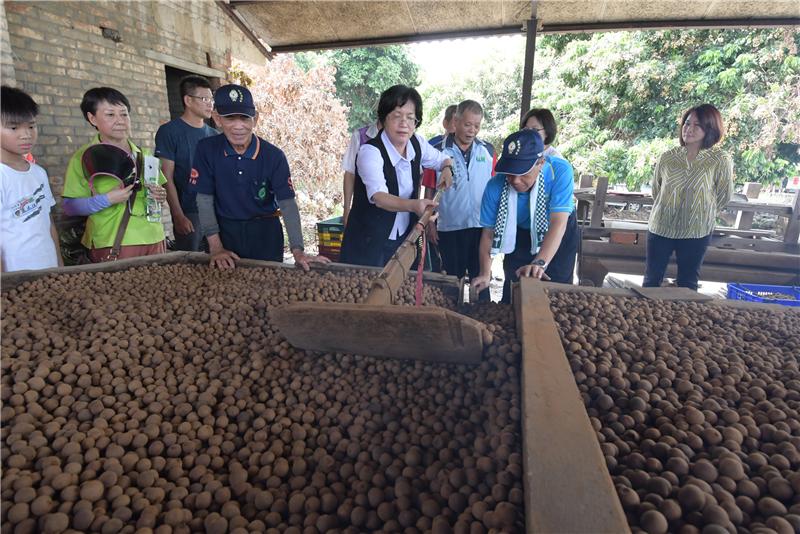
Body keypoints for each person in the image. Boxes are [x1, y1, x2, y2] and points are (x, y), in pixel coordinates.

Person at [191, 83, 328, 271]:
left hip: (265, 233)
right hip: (225, 232)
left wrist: (298, 250)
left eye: (245, 118)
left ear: (255, 119)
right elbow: (204, 199)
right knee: (223, 289)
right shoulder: (206, 149)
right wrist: (216, 247)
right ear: (217, 118)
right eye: (230, 118)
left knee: (270, 288)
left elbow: (287, 204)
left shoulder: (273, 156)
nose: (238, 126)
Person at [340, 85, 453, 267]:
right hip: (367, 241)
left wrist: (447, 169)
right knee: (364, 291)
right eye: (397, 116)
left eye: (410, 118)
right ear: (384, 118)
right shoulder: (370, 151)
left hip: (404, 238)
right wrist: (415, 206)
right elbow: (379, 197)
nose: (404, 124)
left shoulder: (417, 143)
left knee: (400, 290)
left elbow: (444, 159)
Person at [472, 129, 579, 302]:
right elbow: (489, 235)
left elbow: (558, 223)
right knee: (514, 289)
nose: (514, 180)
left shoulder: (560, 171)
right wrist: (485, 274)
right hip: (519, 232)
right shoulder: (494, 186)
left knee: (556, 292)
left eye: (522, 172)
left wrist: (539, 263)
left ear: (541, 162)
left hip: (559, 231)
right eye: (510, 172)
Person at [63, 87, 167, 262]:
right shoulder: (84, 157)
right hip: (112, 242)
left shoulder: (145, 155)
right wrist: (107, 200)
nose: (120, 121)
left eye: (124, 114)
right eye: (110, 115)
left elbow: (159, 195)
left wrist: (160, 196)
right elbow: (70, 207)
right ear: (92, 118)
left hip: (154, 238)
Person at [643, 104, 733, 290]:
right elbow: (656, 190)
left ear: (710, 128)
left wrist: (700, 211)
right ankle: (645, 317)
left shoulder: (719, 159)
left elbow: (724, 195)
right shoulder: (668, 157)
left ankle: (684, 317)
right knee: (652, 280)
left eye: (697, 125)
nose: (689, 129)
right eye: (686, 123)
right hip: (661, 226)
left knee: (688, 282)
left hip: (696, 229)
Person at [423, 99, 495, 299]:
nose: (472, 130)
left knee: (480, 279)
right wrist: (430, 224)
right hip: (449, 227)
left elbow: (495, 187)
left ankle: (481, 318)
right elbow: (429, 190)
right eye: (467, 124)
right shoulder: (438, 151)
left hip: (481, 227)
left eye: (477, 126)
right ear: (455, 121)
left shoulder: (488, 151)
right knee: (451, 281)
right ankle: (450, 318)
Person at [0, 86, 62, 272]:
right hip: (15, 277)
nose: (26, 134)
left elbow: (48, 221)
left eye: (31, 126)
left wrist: (59, 264)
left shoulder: (38, 173)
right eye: (13, 127)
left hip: (49, 269)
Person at [155, 75, 217, 251]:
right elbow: (166, 176)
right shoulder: (170, 131)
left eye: (211, 99)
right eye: (204, 99)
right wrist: (177, 215)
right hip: (190, 213)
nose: (210, 104)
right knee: (191, 267)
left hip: (216, 211)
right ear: (188, 100)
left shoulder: (214, 135)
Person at [341, 119, 381, 225]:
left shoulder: (402, 138)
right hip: (363, 207)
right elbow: (350, 174)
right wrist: (346, 210)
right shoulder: (360, 136)